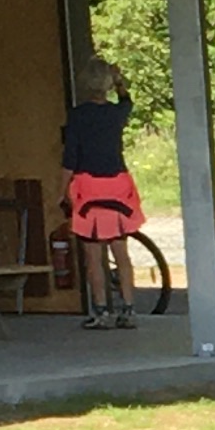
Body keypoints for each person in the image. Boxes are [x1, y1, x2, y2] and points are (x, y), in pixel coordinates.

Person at [59, 51, 143, 328]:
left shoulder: (77, 116)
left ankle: (101, 311)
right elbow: (127, 102)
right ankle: (128, 308)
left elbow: (70, 158)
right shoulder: (116, 114)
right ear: (107, 84)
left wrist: (61, 191)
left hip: (89, 187)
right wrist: (120, 82)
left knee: (93, 255)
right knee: (121, 251)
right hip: (118, 184)